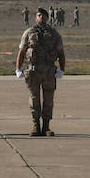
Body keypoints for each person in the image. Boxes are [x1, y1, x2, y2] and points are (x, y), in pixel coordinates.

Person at [16, 7, 64, 136]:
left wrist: (62, 70)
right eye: (39, 15)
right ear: (36, 18)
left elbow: (60, 52)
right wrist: (18, 69)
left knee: (48, 100)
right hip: (33, 71)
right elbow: (21, 51)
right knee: (34, 99)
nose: (41, 18)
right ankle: (36, 125)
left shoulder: (54, 34)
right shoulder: (29, 33)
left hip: (49, 71)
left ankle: (46, 126)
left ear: (47, 18)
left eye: (43, 16)